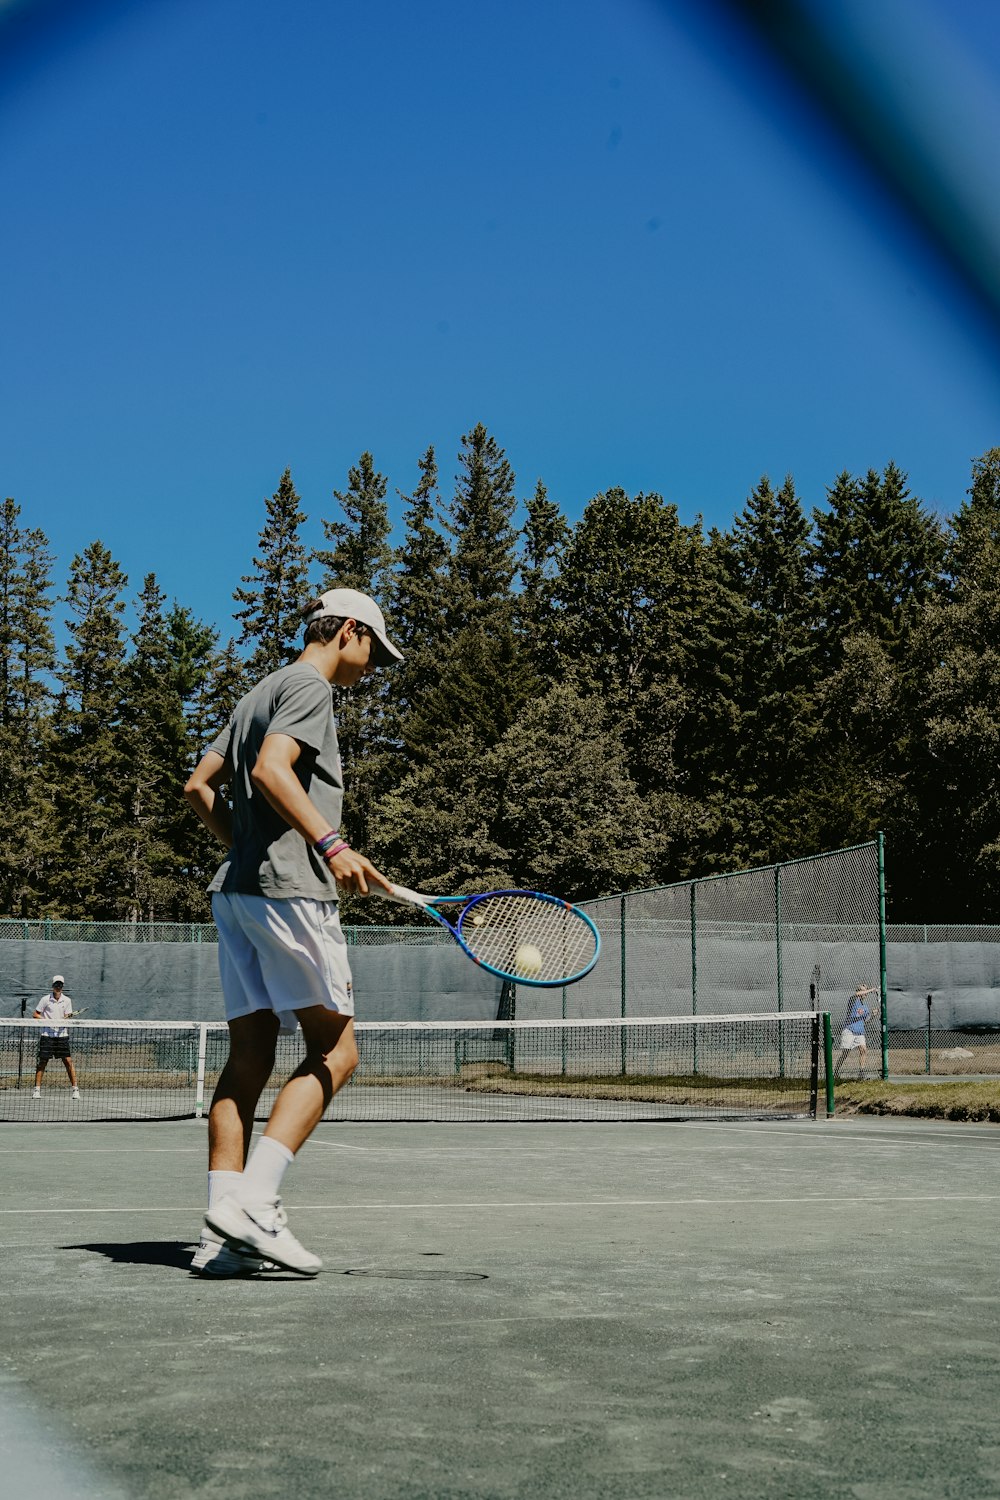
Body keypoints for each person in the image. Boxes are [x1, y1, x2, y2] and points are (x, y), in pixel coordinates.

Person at [183, 587, 401, 1278]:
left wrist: (247, 848)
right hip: (290, 896)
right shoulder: (310, 688)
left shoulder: (258, 692)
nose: (372, 666)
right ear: (346, 632)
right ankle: (255, 1204)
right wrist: (330, 846)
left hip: (239, 895)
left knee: (248, 1060)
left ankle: (220, 1242)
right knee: (337, 1053)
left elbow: (198, 789)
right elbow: (270, 771)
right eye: (372, 649)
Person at [32, 975, 80, 1100]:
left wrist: (65, 1019)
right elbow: (35, 1014)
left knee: (68, 1061)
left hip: (61, 1036)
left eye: (60, 985)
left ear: (62, 987)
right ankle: (37, 1090)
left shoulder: (67, 1001)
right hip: (47, 1035)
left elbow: (67, 1016)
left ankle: (75, 1089)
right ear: (53, 986)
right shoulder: (45, 999)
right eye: (56, 985)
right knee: (42, 1062)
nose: (58, 987)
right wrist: (47, 1021)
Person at [835, 985, 876, 1079]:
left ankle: (861, 1073)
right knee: (845, 1053)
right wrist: (871, 990)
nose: (865, 993)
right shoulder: (853, 1000)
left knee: (863, 1050)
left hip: (860, 1032)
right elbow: (857, 994)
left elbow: (866, 1021)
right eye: (863, 991)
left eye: (865, 991)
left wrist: (873, 1015)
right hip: (849, 1031)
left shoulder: (865, 1007)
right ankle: (836, 1071)